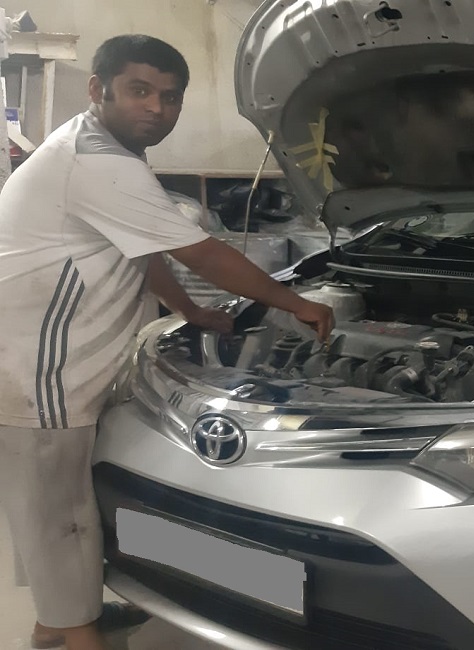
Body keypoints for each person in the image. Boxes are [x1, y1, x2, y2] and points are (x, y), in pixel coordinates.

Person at [0, 35, 334, 650]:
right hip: (36, 366)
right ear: (98, 89)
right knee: (58, 513)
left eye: (171, 96)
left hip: (57, 359)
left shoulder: (105, 150)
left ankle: (60, 619)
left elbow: (143, 249)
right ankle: (73, 636)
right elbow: (202, 254)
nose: (157, 107)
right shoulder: (96, 160)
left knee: (59, 500)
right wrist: (297, 303)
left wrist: (190, 311)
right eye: (140, 90)